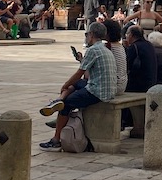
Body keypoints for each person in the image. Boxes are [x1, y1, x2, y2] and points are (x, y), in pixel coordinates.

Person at [39, 22, 116, 150]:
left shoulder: (93, 50)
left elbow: (80, 73)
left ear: (91, 35)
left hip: (98, 92)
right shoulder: (105, 49)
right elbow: (86, 76)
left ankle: (56, 139)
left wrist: (65, 85)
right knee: (75, 84)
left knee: (67, 104)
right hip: (108, 89)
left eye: (87, 34)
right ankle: (58, 100)